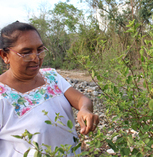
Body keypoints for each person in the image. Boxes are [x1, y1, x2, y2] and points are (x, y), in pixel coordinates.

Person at [0, 21, 99, 156]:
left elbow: (81, 99)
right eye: (26, 52)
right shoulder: (2, 96)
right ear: (5, 56)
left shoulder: (51, 76)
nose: (36, 58)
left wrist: (85, 109)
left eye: (40, 50)